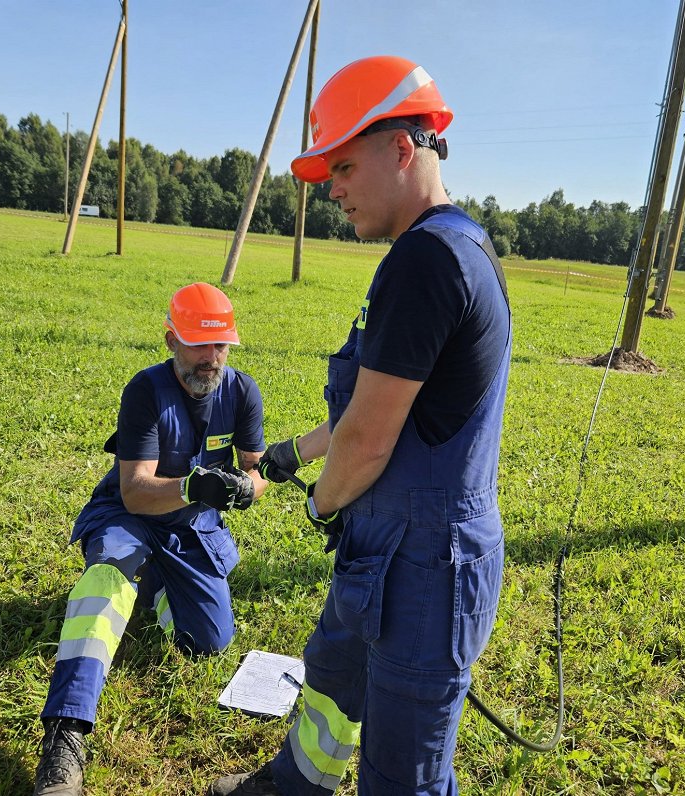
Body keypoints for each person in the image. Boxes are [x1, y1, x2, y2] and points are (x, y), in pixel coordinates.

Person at [208, 55, 512, 796]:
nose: (333, 190)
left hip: (422, 565)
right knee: (333, 674)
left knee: (399, 772)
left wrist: (320, 500)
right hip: (386, 546)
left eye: (341, 167)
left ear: (401, 149)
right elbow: (372, 410)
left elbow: (368, 442)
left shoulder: (426, 262)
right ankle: (294, 784)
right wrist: (288, 454)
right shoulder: (450, 246)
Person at [34, 282, 268, 796]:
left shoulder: (243, 392)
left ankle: (157, 581)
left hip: (190, 530)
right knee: (108, 576)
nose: (212, 359)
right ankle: (65, 737)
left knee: (208, 643)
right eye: (200, 345)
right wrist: (191, 485)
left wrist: (244, 489)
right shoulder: (146, 390)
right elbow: (137, 492)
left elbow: (257, 471)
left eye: (221, 346)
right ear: (170, 341)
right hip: (131, 516)